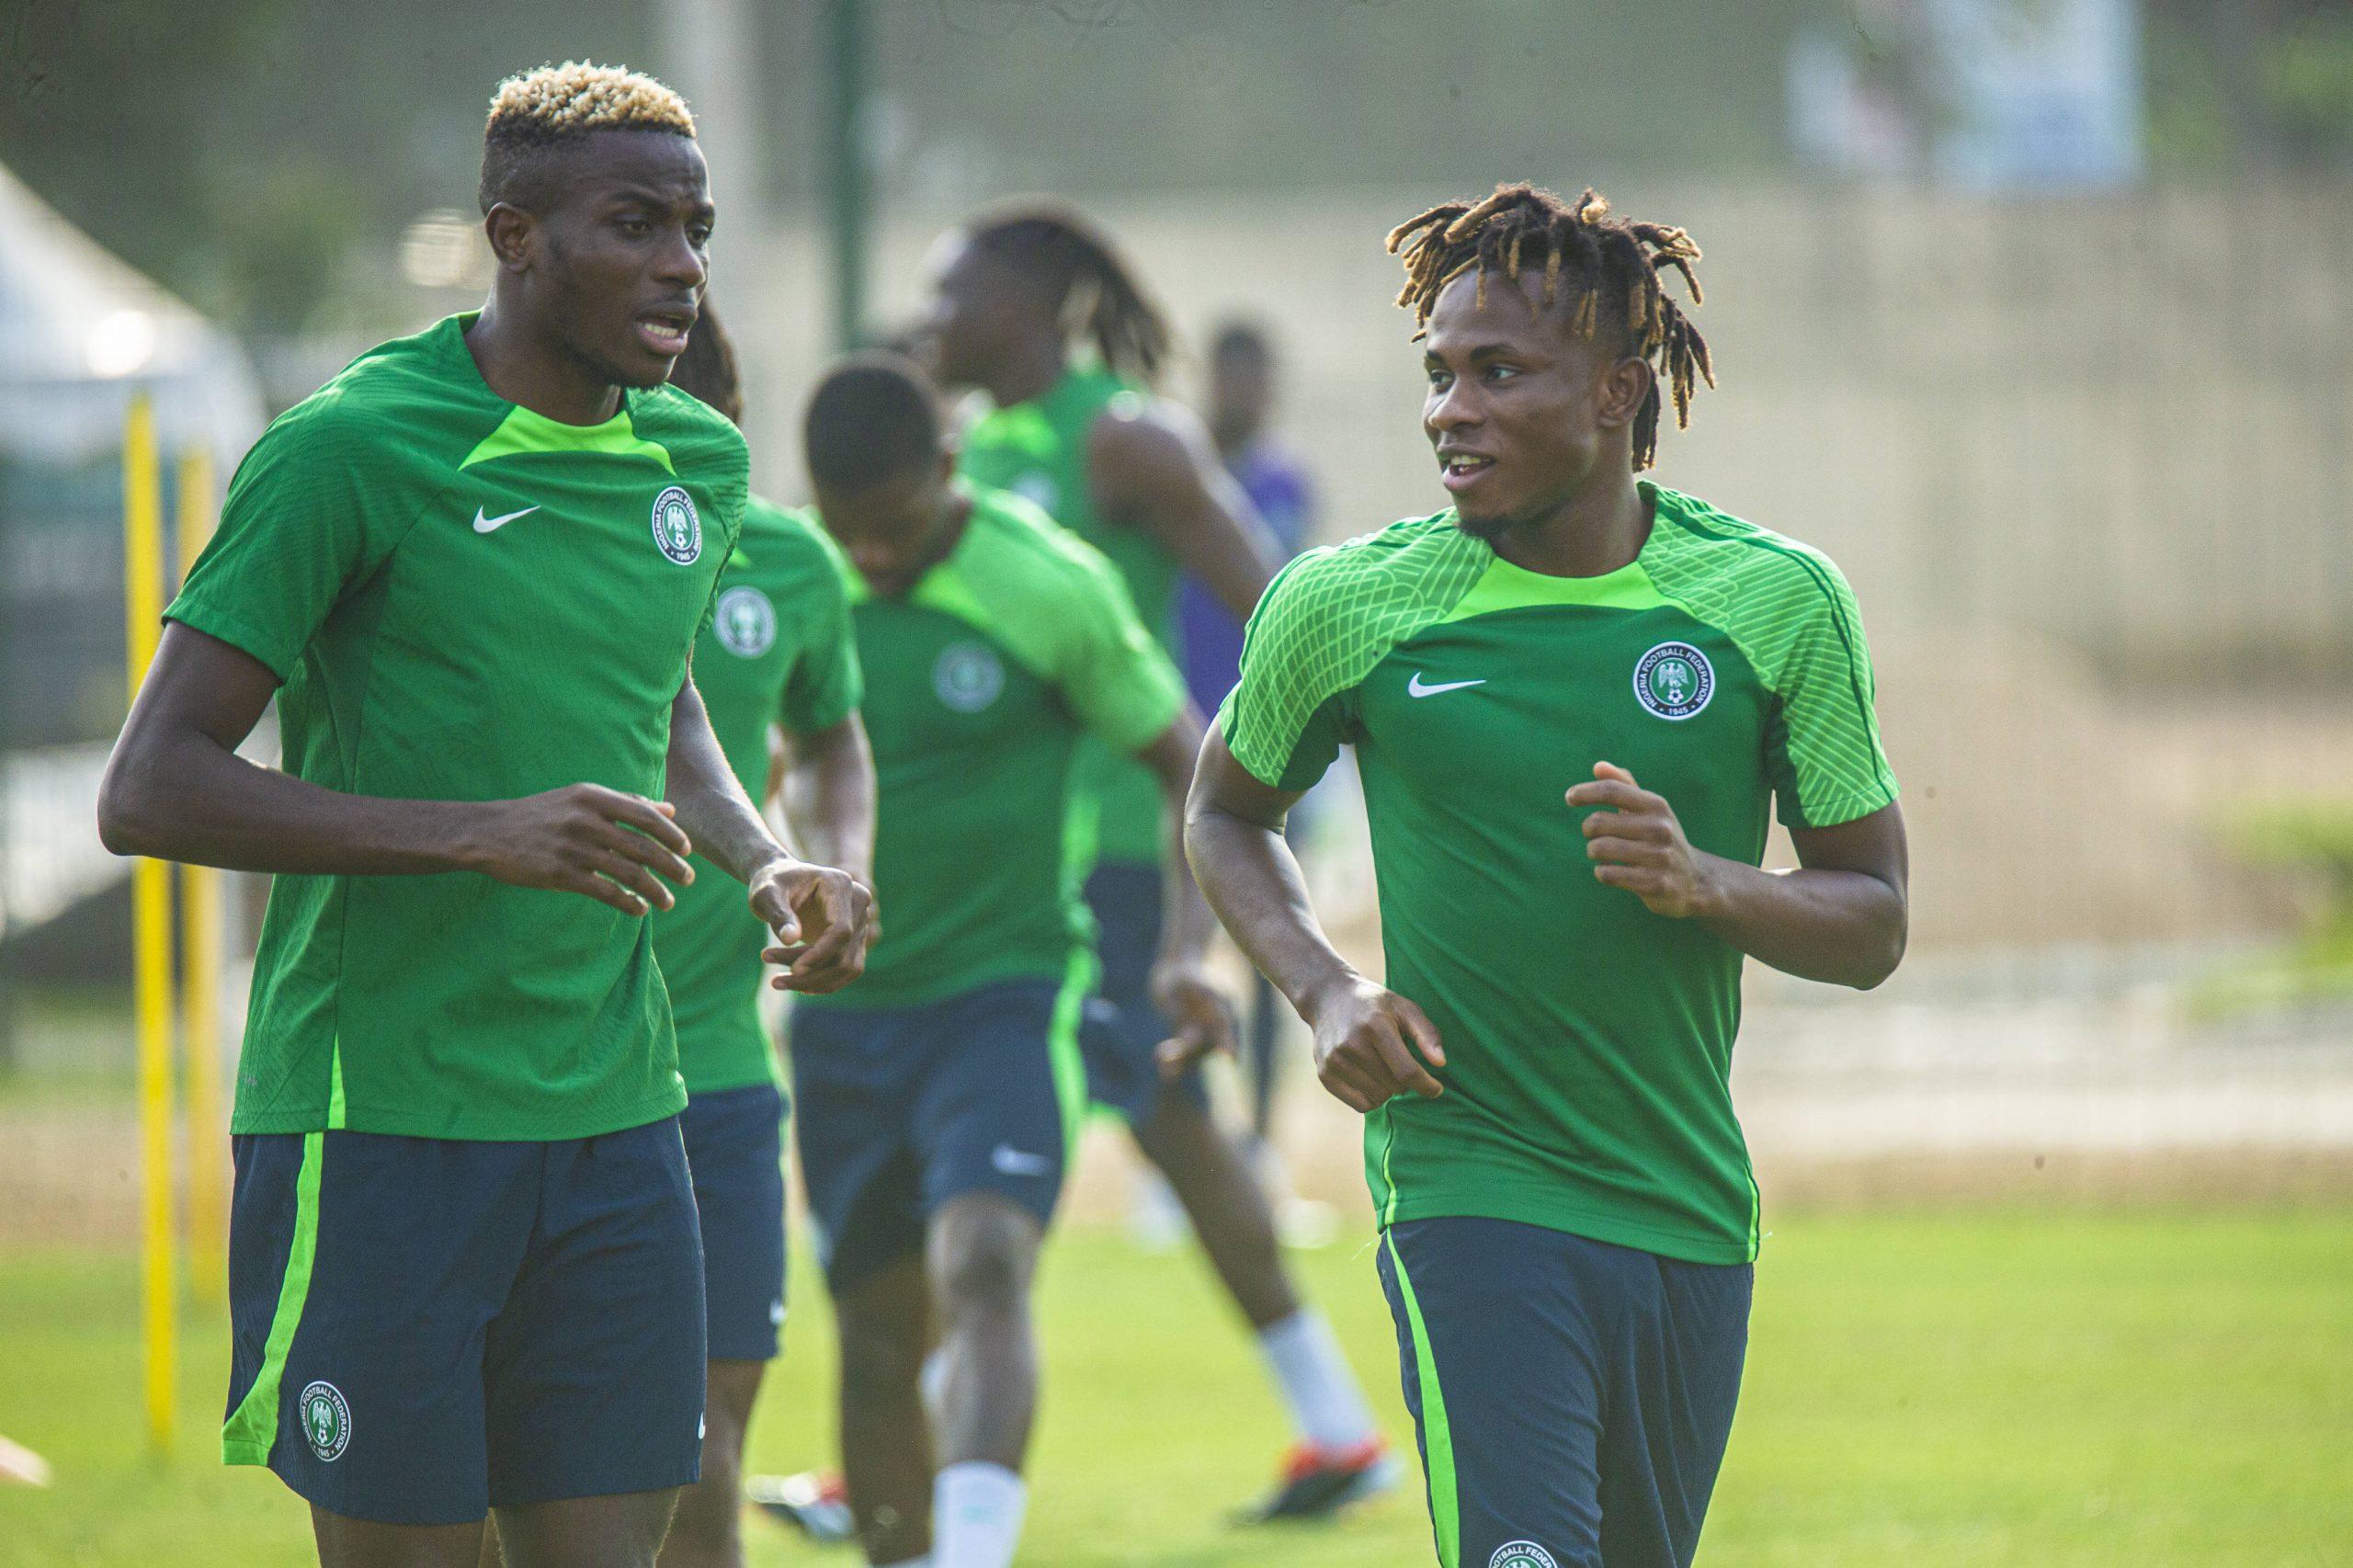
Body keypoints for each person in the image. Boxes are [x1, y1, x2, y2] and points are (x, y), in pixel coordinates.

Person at [95, 63, 874, 1568]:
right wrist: (475, 830)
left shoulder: (695, 463)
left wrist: (769, 859)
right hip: (380, 1118)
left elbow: (664, 706)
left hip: (620, 1119)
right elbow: (152, 783)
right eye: (636, 224)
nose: (681, 267)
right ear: (516, 237)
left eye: (695, 227)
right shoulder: (352, 448)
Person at [1185, 183, 1910, 1568]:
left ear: (1620, 391)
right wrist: (1327, 987)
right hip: (1471, 1184)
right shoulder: (1348, 605)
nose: (1449, 409)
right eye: (1439, 374)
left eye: (1499, 372)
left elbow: (1871, 919)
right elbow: (1224, 811)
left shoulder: (1774, 604)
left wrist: (1711, 884)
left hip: (1689, 1205)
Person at [924, 203, 1393, 1521]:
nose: (931, 313)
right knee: (1167, 1135)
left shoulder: (1123, 438)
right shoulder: (971, 445)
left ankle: (906, 1456)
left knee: (982, 1123)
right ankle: (1337, 1429)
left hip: (1120, 855)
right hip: (1006, 865)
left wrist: (1262, 781)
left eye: (951, 288)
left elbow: (1276, 603)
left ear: (1025, 300)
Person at [789, 354, 1228, 1568]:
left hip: (1007, 991)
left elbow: (1190, 767)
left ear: (948, 466)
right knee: (877, 1340)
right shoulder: (791, 578)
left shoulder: (1049, 582)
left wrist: (1190, 949)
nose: (870, 556)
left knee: (983, 1261)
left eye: (894, 527)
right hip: (841, 1017)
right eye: (846, 531)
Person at [650, 304, 875, 1568]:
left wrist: (843, 859)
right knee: (521, 1462)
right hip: (538, 1071)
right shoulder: (523, 536)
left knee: (703, 1441)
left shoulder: (787, 562)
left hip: (723, 1071)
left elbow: (834, 728)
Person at [1184, 320, 1317, 1155]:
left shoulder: (1285, 484)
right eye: (1233, 378)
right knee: (1184, 951)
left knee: (1276, 946)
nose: (1245, 395)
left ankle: (1259, 1143)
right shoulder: (1176, 474)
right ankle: (1186, 1149)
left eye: (1257, 380)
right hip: (1179, 744)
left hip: (1268, 744)